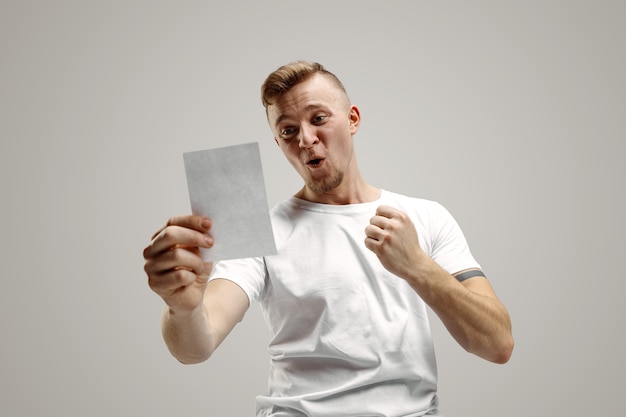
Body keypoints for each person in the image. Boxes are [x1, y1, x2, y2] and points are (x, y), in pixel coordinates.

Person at [143, 61, 514, 416]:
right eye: (288, 130)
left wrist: (418, 267)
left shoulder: (426, 216)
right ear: (278, 143)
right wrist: (183, 307)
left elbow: (497, 344)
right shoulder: (262, 229)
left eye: (318, 119)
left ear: (352, 119)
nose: (306, 139)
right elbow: (194, 348)